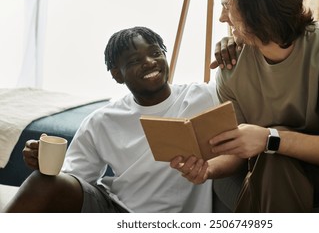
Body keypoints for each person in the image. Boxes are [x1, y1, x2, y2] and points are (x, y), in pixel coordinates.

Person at [171, 0, 319, 213]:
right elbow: (238, 150)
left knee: (271, 157)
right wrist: (207, 169)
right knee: (274, 163)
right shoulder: (231, 68)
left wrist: (270, 138)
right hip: (272, 170)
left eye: (227, 6)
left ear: (257, 8)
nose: (222, 17)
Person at [4, 26, 219, 213]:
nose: (149, 62)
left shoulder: (201, 97)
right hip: (114, 210)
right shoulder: (102, 121)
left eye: (155, 53)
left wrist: (232, 45)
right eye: (135, 60)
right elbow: (72, 178)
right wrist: (45, 164)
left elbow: (244, 80)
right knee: (42, 182)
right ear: (117, 75)